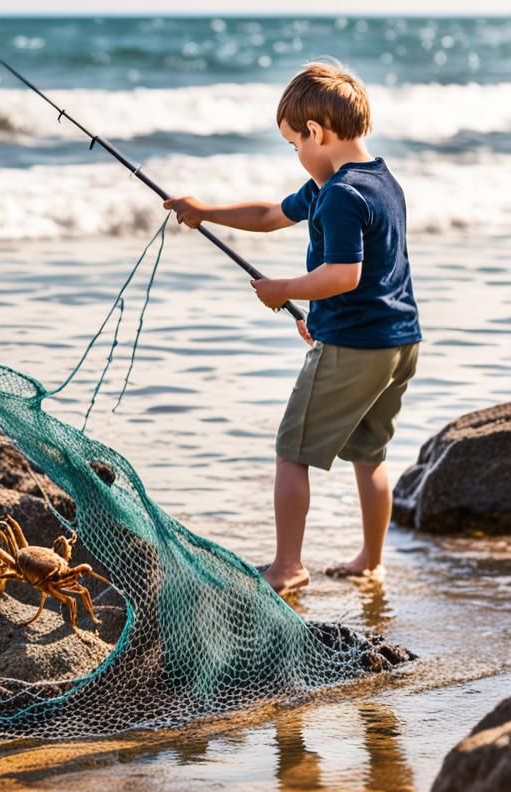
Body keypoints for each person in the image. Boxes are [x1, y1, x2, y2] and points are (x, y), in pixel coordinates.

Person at [163, 62, 421, 595]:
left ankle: (287, 566)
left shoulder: (341, 195)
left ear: (316, 133)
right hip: (398, 342)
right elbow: (270, 215)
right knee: (370, 453)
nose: (295, 155)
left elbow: (343, 275)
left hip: (354, 347)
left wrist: (285, 288)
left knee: (291, 451)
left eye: (292, 143)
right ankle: (372, 561)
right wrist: (205, 211)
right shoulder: (375, 181)